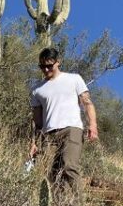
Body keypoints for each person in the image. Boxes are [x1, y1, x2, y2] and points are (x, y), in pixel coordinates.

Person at [29, 47, 98, 193]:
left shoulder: (74, 79)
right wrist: (34, 143)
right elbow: (37, 120)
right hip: (48, 135)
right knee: (49, 172)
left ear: (58, 62)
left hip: (71, 129)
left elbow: (87, 103)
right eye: (42, 66)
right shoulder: (37, 89)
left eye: (49, 65)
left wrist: (92, 125)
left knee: (69, 166)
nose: (46, 69)